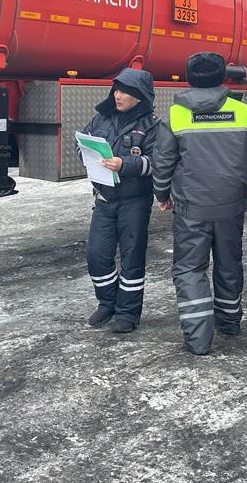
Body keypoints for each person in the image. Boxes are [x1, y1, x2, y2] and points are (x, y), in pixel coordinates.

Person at [152, 52, 247, 355]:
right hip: (231, 203)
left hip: (192, 206)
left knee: (190, 269)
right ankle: (229, 322)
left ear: (190, 78)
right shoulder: (242, 112)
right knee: (229, 262)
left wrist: (162, 194)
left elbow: (163, 161)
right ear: (222, 77)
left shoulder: (176, 114)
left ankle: (198, 339)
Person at [80, 67, 158, 334]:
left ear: (139, 96)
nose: (118, 95)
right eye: (117, 89)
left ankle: (128, 313)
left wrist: (126, 163)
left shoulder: (151, 125)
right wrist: (86, 154)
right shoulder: (100, 119)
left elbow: (158, 163)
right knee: (97, 255)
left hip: (134, 201)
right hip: (104, 199)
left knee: (132, 257)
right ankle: (107, 303)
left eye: (125, 91)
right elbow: (83, 146)